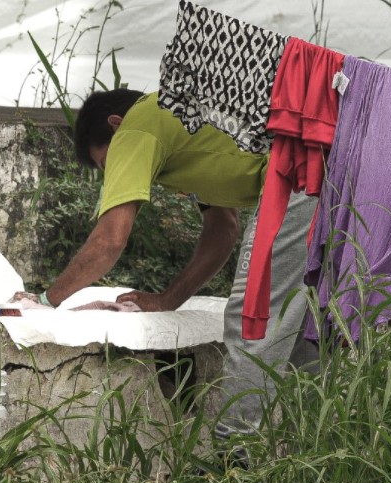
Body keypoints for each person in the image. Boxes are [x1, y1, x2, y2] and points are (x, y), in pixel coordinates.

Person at [40, 88, 320, 434]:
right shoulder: (181, 129)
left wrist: (44, 301)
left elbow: (109, 241)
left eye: (107, 164)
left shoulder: (137, 125)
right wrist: (168, 299)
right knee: (308, 316)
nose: (116, 173)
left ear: (117, 125)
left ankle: (235, 457)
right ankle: (314, 442)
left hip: (298, 170)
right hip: (325, 160)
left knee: (252, 312)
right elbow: (223, 227)